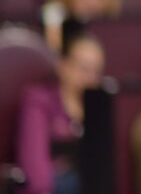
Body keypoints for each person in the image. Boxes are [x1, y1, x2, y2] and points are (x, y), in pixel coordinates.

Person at [17, 27, 105, 194]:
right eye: (84, 68)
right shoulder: (39, 102)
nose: (90, 77)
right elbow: (36, 173)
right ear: (62, 65)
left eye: (96, 71)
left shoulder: (100, 108)